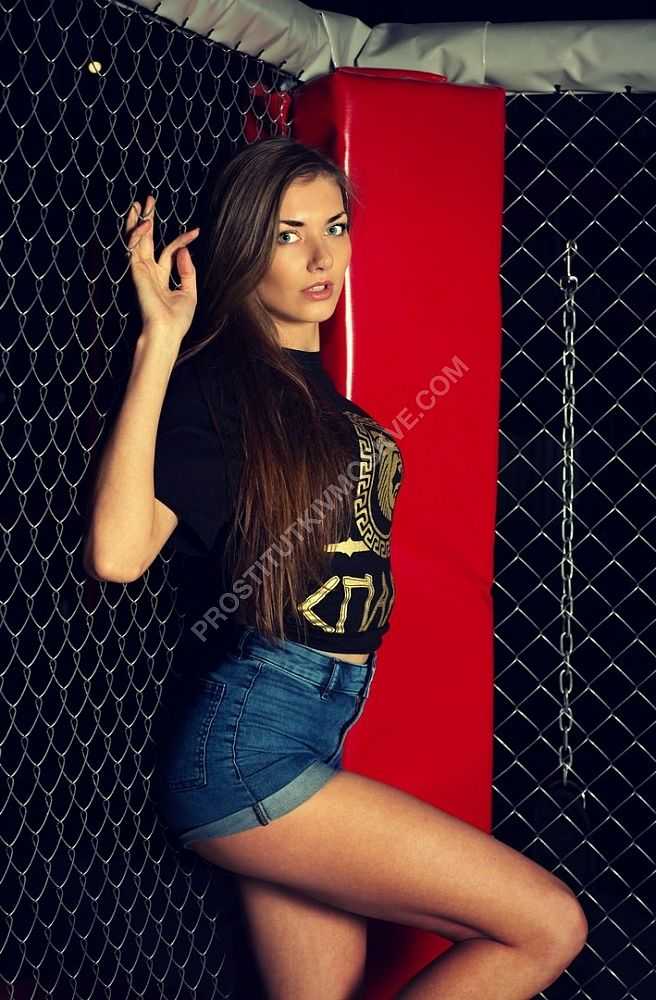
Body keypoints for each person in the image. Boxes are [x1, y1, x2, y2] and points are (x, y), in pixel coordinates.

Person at [84, 137, 587, 1000]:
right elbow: (117, 554)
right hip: (251, 739)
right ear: (243, 247)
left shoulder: (315, 394)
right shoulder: (218, 391)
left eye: (336, 227)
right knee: (547, 923)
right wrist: (159, 342)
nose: (322, 257)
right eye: (289, 234)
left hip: (318, 728)